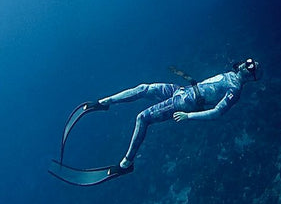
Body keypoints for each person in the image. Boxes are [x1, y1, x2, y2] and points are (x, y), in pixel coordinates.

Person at [98, 58, 263, 176]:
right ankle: (105, 102)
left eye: (250, 66)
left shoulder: (234, 90)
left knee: (142, 118)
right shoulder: (230, 75)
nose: (246, 63)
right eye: (249, 61)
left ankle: (126, 164)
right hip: (182, 90)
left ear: (250, 76)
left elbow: (217, 112)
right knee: (143, 88)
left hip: (185, 102)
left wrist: (189, 115)